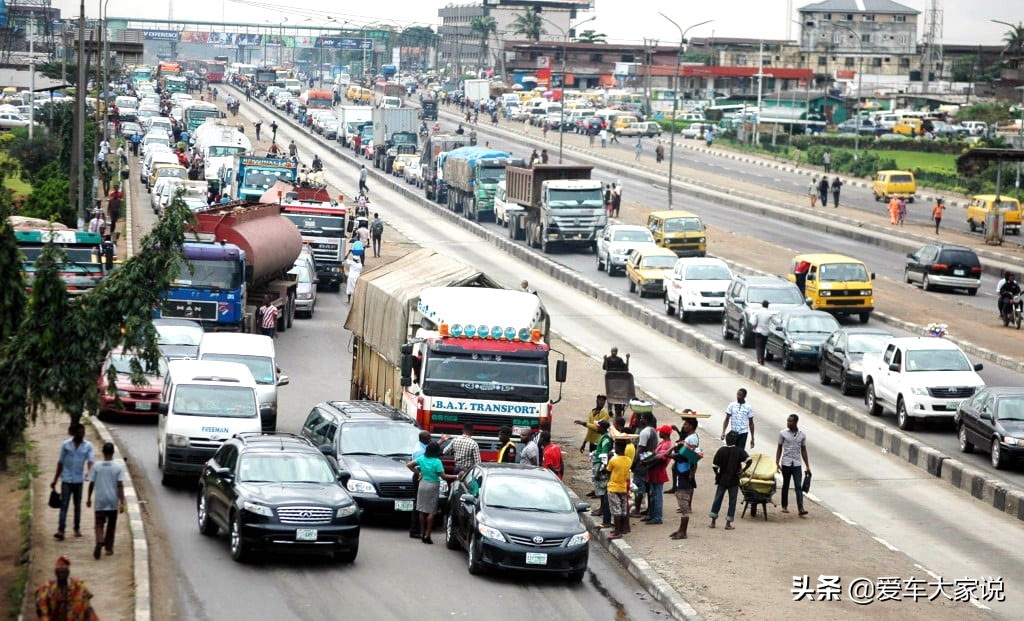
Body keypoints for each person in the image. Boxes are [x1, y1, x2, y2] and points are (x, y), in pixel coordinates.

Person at [406, 442, 457, 544]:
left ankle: (422, 533)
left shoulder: (421, 459)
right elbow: (444, 476)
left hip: (422, 484)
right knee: (431, 511)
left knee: (421, 510)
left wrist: (419, 472)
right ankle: (427, 535)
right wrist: (457, 477)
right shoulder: (437, 462)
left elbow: (409, 465)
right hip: (433, 485)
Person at [50, 423, 94, 541]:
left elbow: (90, 461)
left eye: (83, 432)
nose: (82, 434)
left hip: (78, 480)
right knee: (64, 505)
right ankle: (61, 530)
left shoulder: (88, 446)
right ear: (74, 433)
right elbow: (60, 462)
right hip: (66, 479)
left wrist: (89, 472)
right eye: (79, 432)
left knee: (77, 506)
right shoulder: (66, 445)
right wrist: (55, 479)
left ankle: (76, 528)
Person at [86, 441, 125, 559]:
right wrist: (122, 502)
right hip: (112, 501)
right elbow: (120, 485)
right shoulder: (118, 467)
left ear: (103, 452)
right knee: (111, 525)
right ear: (113, 452)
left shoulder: (96, 466)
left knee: (99, 524)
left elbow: (91, 483)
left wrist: (88, 498)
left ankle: (99, 540)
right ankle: (108, 548)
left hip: (100, 500)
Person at [709, 431, 751, 530]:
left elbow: (714, 466)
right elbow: (749, 461)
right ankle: (728, 523)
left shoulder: (721, 450)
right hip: (734, 480)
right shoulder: (739, 450)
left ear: (726, 440)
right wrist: (742, 470)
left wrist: (717, 474)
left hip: (722, 479)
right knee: (732, 501)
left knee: (718, 499)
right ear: (736, 441)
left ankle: (713, 521)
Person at [34, 556, 98, 620]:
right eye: (59, 566)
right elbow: (41, 608)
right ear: (55, 571)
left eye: (64, 567)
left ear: (68, 570)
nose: (61, 569)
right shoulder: (47, 587)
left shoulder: (78, 586)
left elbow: (88, 608)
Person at [669, 417, 701, 539]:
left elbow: (691, 455)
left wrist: (678, 446)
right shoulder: (690, 438)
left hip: (685, 473)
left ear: (692, 426)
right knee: (683, 506)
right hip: (685, 471)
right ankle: (681, 530)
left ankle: (683, 532)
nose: (684, 426)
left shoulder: (691, 440)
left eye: (686, 424)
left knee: (684, 507)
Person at [776, 414, 811, 517]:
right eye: (787, 421)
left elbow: (803, 450)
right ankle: (784, 506)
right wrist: (777, 462)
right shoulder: (783, 433)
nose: (788, 423)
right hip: (786, 463)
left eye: (790, 421)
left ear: (796, 422)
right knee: (786, 485)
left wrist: (807, 466)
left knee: (798, 486)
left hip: (797, 464)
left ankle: (801, 508)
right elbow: (779, 448)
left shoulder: (802, 435)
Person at [642, 425, 674, 525]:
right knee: (653, 494)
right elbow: (654, 454)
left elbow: (660, 457)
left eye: (661, 432)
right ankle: (652, 515)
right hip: (654, 471)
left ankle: (657, 517)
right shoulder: (664, 443)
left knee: (657, 495)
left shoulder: (667, 445)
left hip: (658, 472)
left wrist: (647, 462)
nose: (659, 433)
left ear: (665, 433)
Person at [606, 439, 633, 539]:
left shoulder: (613, 459)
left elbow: (608, 471)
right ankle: (623, 528)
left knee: (615, 510)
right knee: (623, 509)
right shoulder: (628, 460)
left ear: (617, 448)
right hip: (623, 486)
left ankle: (617, 532)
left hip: (613, 486)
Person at [590, 420, 613, 527]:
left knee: (602, 488)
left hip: (600, 464)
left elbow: (604, 455)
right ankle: (601, 508)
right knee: (600, 488)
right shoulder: (604, 437)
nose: (597, 429)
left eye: (598, 427)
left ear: (602, 428)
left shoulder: (606, 439)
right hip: (598, 463)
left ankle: (602, 509)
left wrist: (600, 470)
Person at [750, 300, 774, 365]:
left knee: (758, 346)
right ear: (768, 305)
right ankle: (762, 360)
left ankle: (759, 359)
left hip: (758, 331)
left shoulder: (758, 312)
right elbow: (775, 322)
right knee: (763, 346)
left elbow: (753, 322)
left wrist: (754, 326)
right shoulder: (769, 313)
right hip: (766, 332)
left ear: (762, 305)